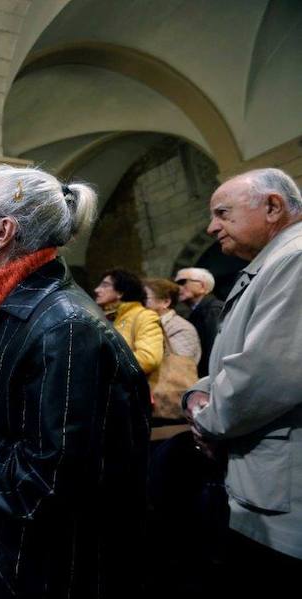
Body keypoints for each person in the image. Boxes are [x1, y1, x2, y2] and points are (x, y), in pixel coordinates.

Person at [0, 164, 150, 598]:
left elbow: (48, 481)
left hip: (32, 569)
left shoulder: (65, 326)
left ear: (3, 231)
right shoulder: (10, 306)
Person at [184, 168, 302, 594]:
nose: (211, 226)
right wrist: (199, 393)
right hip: (258, 487)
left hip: (281, 498)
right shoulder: (272, 262)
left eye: (222, 213)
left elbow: (264, 375)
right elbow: (230, 362)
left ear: (272, 206)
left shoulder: (295, 258)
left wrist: (207, 419)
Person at [94, 268, 164, 376]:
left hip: (129, 390)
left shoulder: (144, 316)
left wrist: (102, 365)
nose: (97, 290)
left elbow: (149, 359)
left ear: (120, 292)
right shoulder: (105, 317)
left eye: (105, 285)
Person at [174, 266, 223, 376]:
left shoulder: (213, 310)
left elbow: (215, 350)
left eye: (182, 282)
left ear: (202, 286)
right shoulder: (199, 311)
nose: (177, 288)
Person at [143, 278, 201, 364]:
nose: (140, 303)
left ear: (166, 302)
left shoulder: (183, 329)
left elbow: (179, 365)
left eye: (145, 298)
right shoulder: (142, 320)